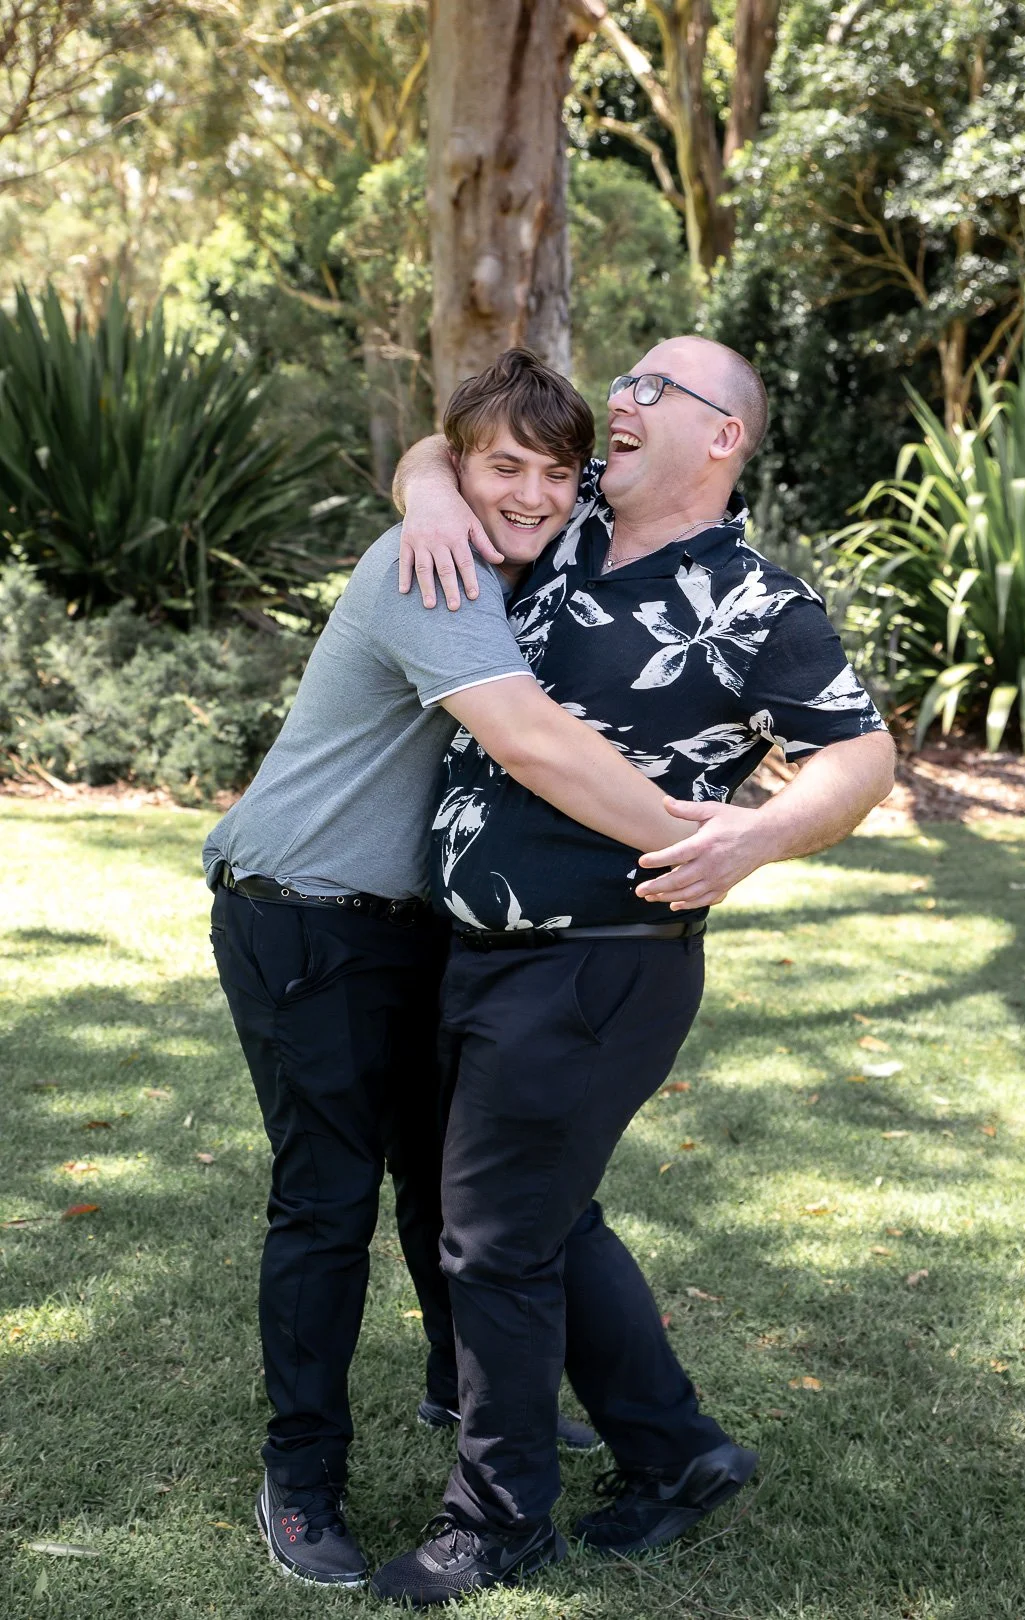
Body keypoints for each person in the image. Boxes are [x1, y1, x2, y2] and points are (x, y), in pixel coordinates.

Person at [370, 336, 896, 1605]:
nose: (624, 399)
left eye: (657, 389)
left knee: (492, 1243)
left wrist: (762, 835)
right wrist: (431, 488)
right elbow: (451, 448)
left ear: (724, 437)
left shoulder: (752, 601)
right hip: (478, 946)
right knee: (536, 1219)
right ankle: (679, 1455)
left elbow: (863, 755)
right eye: (628, 381)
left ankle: (500, 1522)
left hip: (604, 960)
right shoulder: (563, 525)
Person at [202, 351, 721, 1588]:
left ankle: (463, 1396)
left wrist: (435, 472)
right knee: (328, 1205)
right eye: (502, 467)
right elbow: (535, 744)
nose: (533, 494)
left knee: (448, 1190)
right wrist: (704, 839)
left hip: (424, 924)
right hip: (309, 918)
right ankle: (301, 1475)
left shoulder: (508, 534)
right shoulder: (428, 567)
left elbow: (475, 456)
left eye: (555, 471)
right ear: (466, 463)